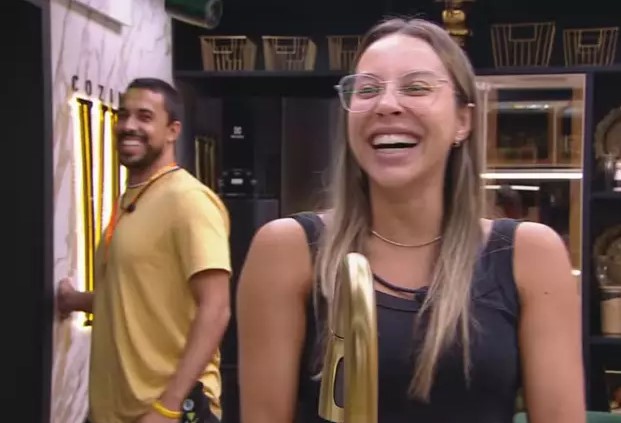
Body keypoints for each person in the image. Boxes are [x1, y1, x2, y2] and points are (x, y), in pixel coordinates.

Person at [236, 18, 585, 423]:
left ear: (462, 121)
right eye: (367, 89)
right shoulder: (287, 250)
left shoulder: (531, 254)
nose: (386, 104)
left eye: (416, 87)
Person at [56, 78, 231, 423]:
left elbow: (216, 307)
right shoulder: (131, 200)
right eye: (124, 115)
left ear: (172, 131)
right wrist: (75, 300)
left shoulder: (188, 200)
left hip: (167, 411)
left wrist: (169, 406)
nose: (129, 125)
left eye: (145, 116)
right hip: (114, 413)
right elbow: (135, 294)